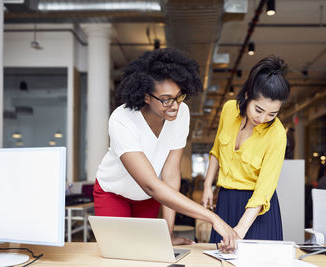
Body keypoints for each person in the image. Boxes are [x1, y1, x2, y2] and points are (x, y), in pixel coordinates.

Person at [93, 48, 238, 251]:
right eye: (166, 99)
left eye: (179, 96)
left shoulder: (182, 114)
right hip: (114, 193)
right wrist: (212, 218)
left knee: (147, 253)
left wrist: (167, 234)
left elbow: (170, 176)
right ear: (146, 97)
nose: (175, 106)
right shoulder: (122, 119)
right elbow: (152, 184)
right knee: (119, 254)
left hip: (149, 198)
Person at [202, 56, 290, 242]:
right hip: (226, 201)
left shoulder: (277, 134)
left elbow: (264, 189)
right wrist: (207, 185)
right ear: (248, 95)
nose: (263, 118)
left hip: (257, 211)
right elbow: (217, 149)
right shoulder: (228, 110)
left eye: (272, 113)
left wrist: (241, 228)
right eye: (258, 110)